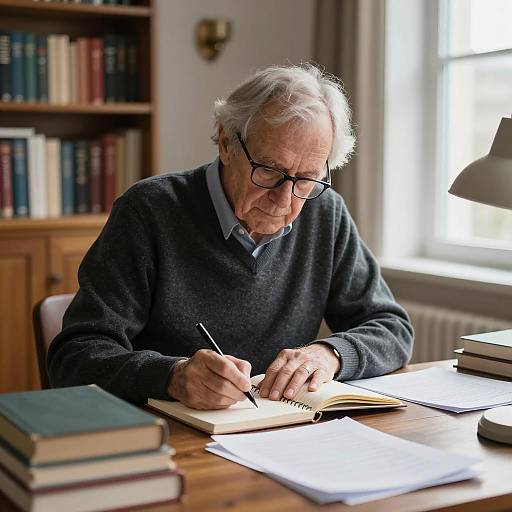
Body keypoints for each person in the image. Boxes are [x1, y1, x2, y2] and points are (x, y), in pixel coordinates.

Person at [48, 64, 413, 409]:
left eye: (306, 178)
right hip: (167, 438)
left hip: (280, 432)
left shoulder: (324, 212)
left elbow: (392, 328)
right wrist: (171, 377)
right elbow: (76, 356)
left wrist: (330, 354)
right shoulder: (149, 211)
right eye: (270, 171)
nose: (285, 200)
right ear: (226, 142)